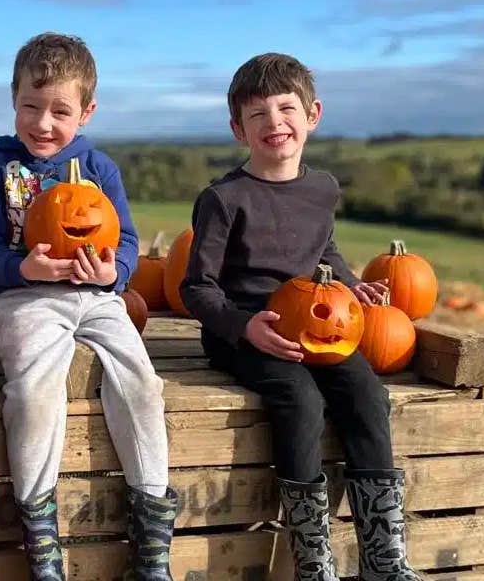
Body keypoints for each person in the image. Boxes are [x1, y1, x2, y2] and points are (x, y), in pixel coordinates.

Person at [180, 52, 421, 581]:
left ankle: (384, 559)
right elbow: (197, 288)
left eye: (286, 108)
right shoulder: (223, 199)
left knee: (366, 394)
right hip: (246, 332)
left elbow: (324, 251)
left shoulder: (321, 188)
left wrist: (353, 286)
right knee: (300, 397)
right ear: (237, 128)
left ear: (313, 115)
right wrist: (245, 327)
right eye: (257, 114)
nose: (274, 123)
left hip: (317, 330)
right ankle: (313, 561)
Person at [0, 32, 178, 581]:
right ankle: (41, 537)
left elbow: (126, 240)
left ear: (86, 112)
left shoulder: (100, 169)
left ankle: (152, 534)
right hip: (28, 298)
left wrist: (114, 273)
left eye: (59, 111)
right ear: (13, 101)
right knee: (36, 389)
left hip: (96, 296)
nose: (42, 123)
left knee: (142, 382)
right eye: (30, 107)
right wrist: (21, 269)